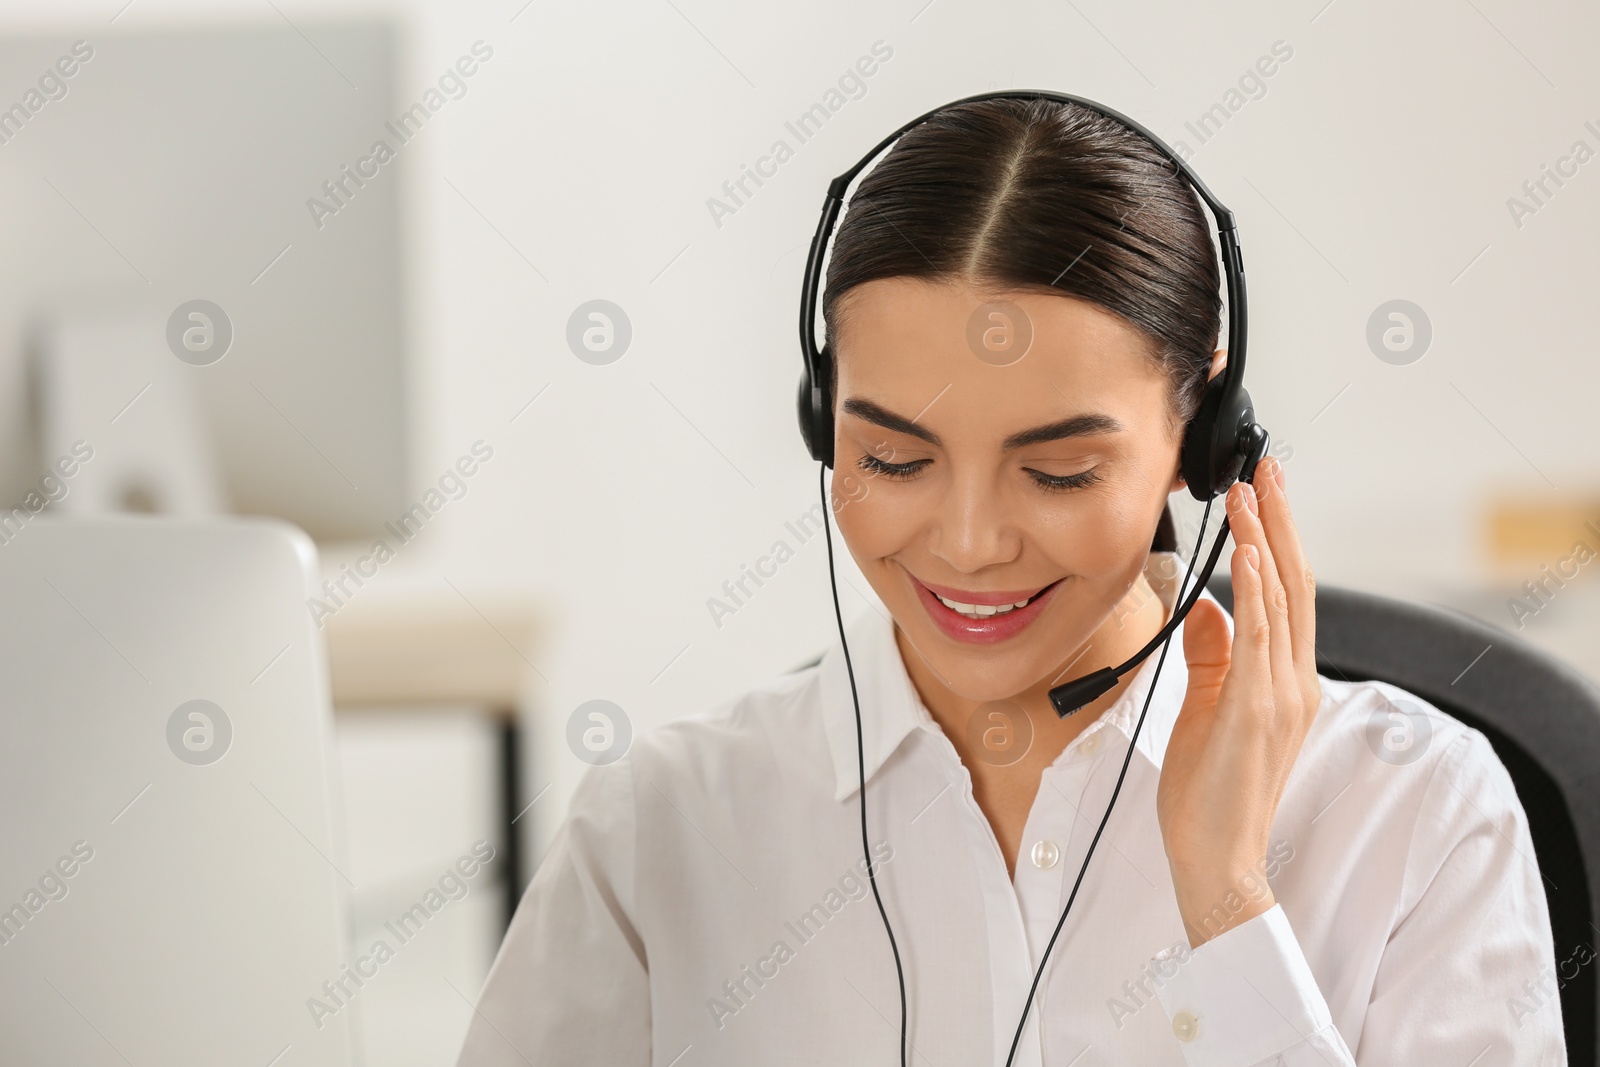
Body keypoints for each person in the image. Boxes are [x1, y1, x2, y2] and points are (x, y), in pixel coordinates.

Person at [455, 97, 1566, 1065]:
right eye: (893, 458)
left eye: (1059, 469)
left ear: (1203, 437)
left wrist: (1227, 903)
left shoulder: (1416, 812)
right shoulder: (664, 829)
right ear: (819, 421)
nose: (973, 541)